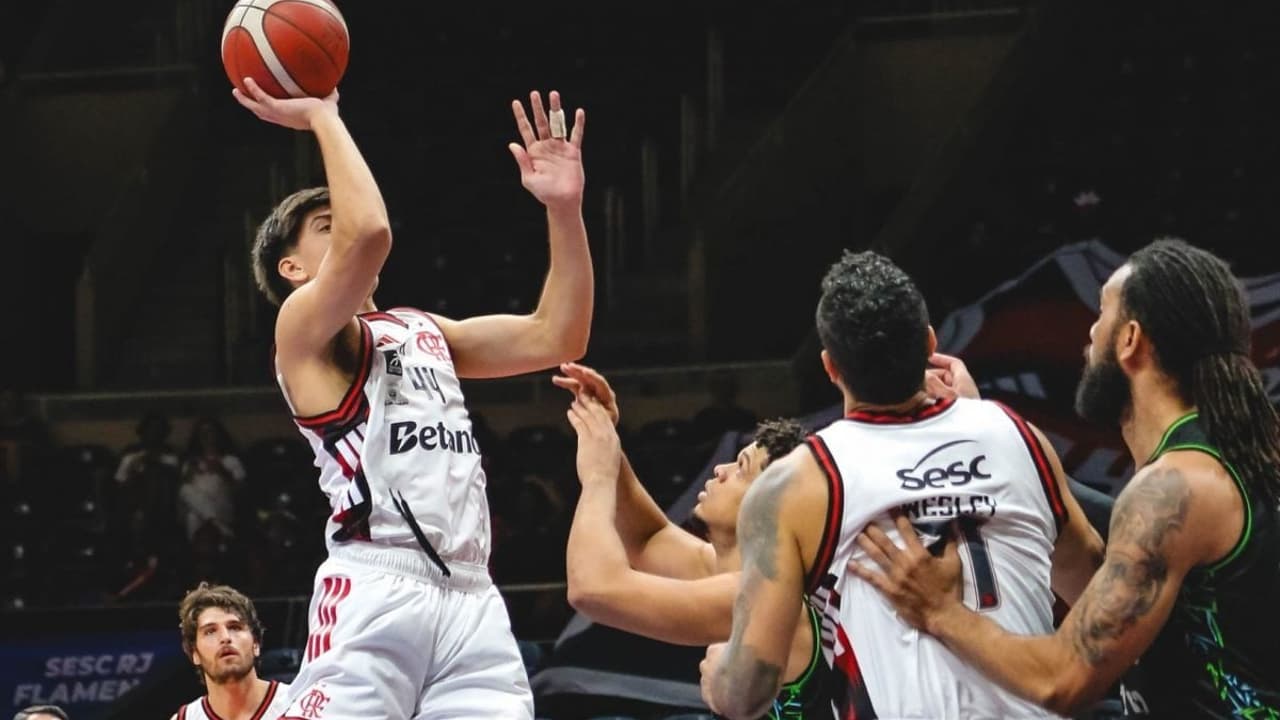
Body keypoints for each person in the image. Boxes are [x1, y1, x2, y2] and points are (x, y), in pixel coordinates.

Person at [235, 73, 590, 718]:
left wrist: (564, 210)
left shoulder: (422, 329)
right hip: (378, 583)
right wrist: (321, 115)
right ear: (292, 268)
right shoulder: (302, 331)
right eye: (325, 226)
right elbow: (370, 231)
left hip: (473, 597)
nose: (343, 224)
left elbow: (558, 334)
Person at [850, 239, 1280, 718]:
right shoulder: (1224, 463)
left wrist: (939, 610)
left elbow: (1061, 680)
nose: (1091, 332)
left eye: (1102, 313)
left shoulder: (1176, 488)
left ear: (1129, 339)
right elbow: (1120, 596)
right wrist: (989, 428)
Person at [700, 250, 1104, 719]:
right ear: (929, 342)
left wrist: (719, 678)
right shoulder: (1017, 435)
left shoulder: (799, 482)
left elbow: (748, 692)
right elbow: (1091, 579)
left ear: (831, 368)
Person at [557, 363, 819, 718]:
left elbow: (592, 589)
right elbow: (648, 539)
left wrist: (598, 478)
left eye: (740, 467)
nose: (720, 470)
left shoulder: (764, 593)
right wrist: (606, 438)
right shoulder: (742, 573)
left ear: (769, 501)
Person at [171, 582, 290, 720]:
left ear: (256, 644)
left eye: (235, 627)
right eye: (210, 632)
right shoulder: (185, 718)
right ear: (195, 653)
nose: (225, 637)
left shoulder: (296, 705)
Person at [177, 416, 246, 541]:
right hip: (198, 509)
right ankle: (217, 525)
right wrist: (190, 472)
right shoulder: (191, 462)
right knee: (187, 496)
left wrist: (222, 471)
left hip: (223, 505)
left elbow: (240, 491)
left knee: (194, 513)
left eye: (210, 432)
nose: (206, 436)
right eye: (202, 433)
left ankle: (215, 522)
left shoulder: (231, 460)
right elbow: (182, 495)